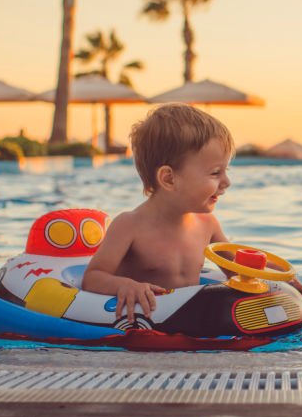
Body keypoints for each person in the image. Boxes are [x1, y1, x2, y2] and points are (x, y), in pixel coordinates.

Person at [82, 104, 235, 325]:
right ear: (169, 179)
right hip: (147, 327)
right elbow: (92, 278)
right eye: (215, 173)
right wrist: (125, 285)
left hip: (191, 323)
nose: (226, 183)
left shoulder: (208, 224)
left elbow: (238, 270)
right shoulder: (130, 225)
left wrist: (281, 280)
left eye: (226, 171)